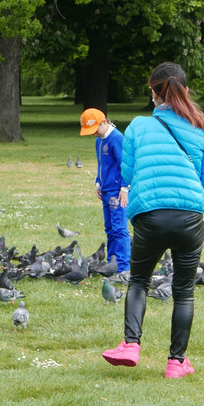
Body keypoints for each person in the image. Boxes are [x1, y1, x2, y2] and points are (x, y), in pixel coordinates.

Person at [101, 62, 204, 379]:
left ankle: (130, 344)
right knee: (183, 292)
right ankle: (176, 363)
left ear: (154, 92)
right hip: (191, 217)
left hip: (150, 215)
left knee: (139, 280)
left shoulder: (139, 127)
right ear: (184, 89)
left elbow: (126, 174)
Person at [79, 108, 130, 281]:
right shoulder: (99, 140)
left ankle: (123, 267)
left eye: (94, 130)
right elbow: (102, 165)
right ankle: (111, 263)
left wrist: (125, 189)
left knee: (119, 229)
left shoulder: (116, 138)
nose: (93, 134)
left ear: (104, 122)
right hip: (106, 190)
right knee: (109, 228)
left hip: (117, 193)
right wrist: (98, 182)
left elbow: (127, 165)